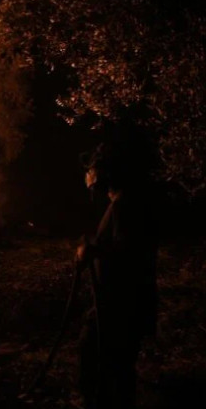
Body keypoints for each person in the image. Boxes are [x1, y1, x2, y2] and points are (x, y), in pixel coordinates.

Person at [75, 141, 158, 409]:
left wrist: (92, 250)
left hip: (120, 305)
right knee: (115, 367)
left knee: (104, 362)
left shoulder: (124, 206)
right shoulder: (125, 203)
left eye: (93, 169)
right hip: (122, 302)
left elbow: (127, 252)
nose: (89, 175)